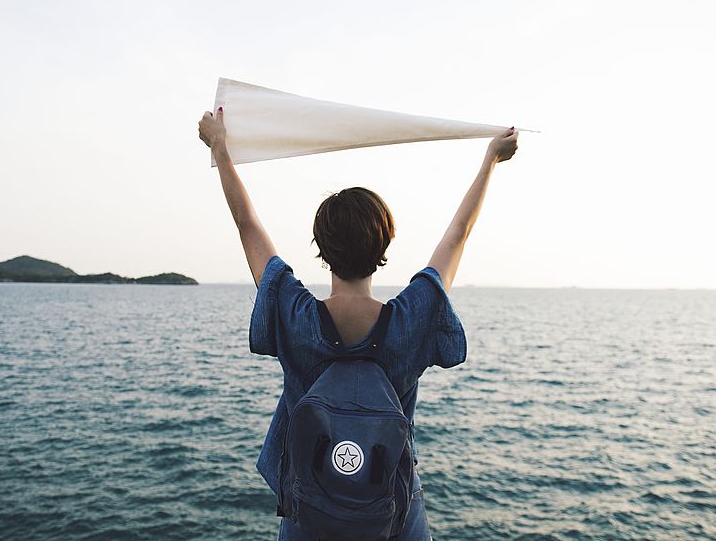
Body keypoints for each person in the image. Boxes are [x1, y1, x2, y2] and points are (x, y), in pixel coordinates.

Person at [198, 106, 519, 540]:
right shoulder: (411, 320)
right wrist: (490, 161)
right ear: (385, 242)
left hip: (307, 502)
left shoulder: (296, 316)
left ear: (321, 248)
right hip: (392, 501)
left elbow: (247, 224)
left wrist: (220, 146)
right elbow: (457, 233)